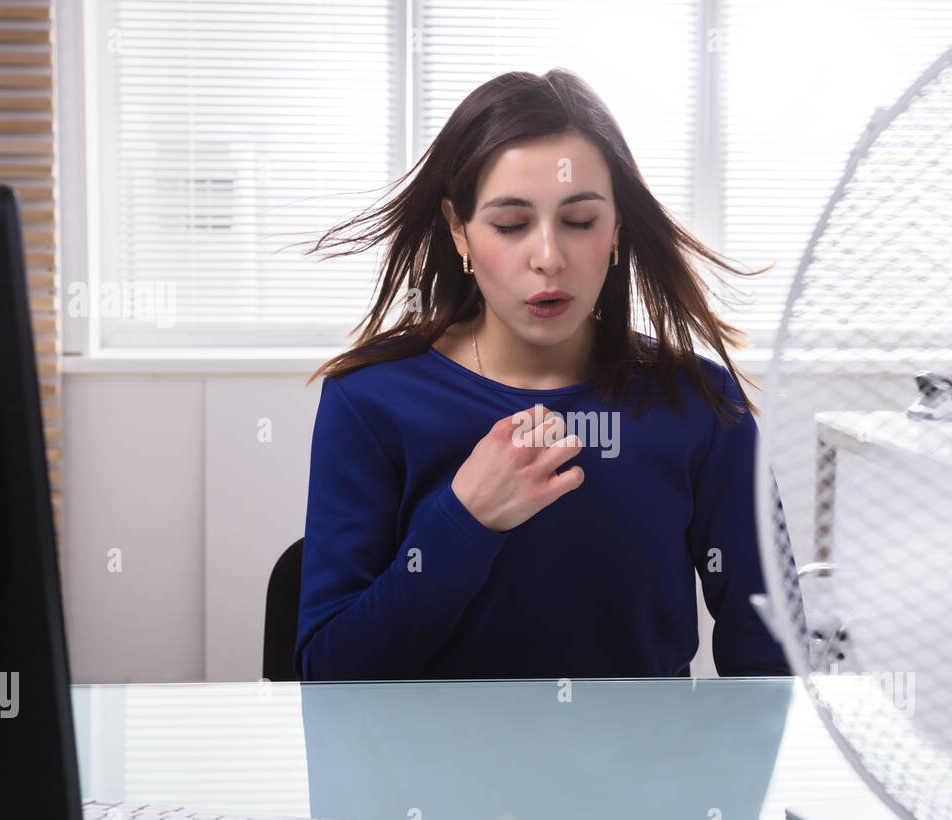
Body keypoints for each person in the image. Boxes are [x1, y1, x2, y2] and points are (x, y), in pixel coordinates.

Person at [294, 69, 803, 680]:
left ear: (616, 229)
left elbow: (770, 661)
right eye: (510, 225)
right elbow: (328, 673)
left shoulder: (700, 404)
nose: (549, 258)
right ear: (459, 230)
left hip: (643, 771)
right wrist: (465, 519)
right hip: (436, 772)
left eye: (580, 220)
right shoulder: (369, 402)